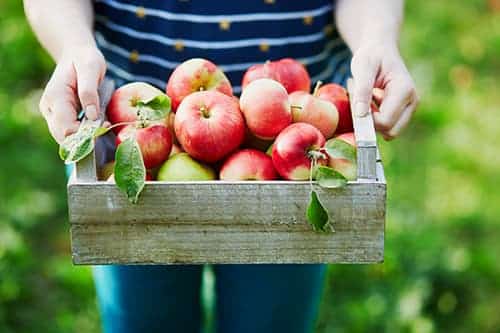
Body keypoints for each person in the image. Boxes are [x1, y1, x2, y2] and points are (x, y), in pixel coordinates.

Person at [24, 1, 418, 332]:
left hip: (299, 156)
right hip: (130, 147)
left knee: (272, 321)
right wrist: (73, 45)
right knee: (144, 320)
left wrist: (377, 39)